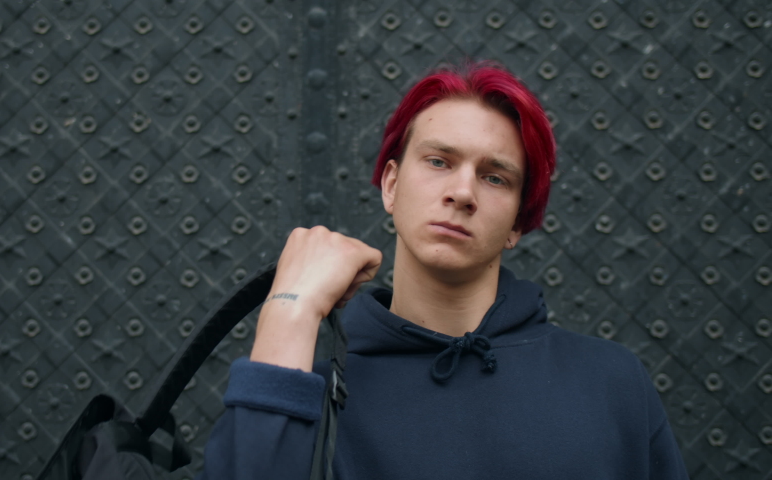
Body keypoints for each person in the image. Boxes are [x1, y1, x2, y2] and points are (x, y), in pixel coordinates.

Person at [196, 61, 689, 479]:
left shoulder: (609, 382)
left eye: (494, 177)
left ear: (518, 222)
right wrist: (290, 314)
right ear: (391, 185)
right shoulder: (307, 395)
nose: (462, 192)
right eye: (438, 161)